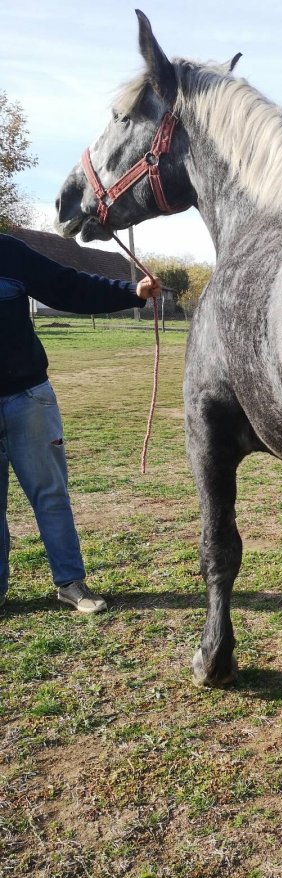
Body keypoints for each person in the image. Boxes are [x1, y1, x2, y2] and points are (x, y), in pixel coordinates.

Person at [0, 232, 161, 613]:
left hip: (28, 397)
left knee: (50, 496)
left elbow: (68, 286)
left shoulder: (8, 252)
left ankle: (71, 583)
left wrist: (131, 293)